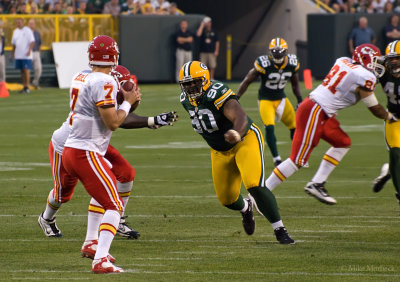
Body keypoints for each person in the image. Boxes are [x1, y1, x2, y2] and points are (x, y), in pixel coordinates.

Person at [37, 60, 178, 269]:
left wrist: (149, 118)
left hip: (92, 145)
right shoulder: (102, 85)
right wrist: (138, 109)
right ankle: (47, 219)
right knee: (63, 194)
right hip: (69, 146)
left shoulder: (100, 82)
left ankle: (108, 225)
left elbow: (119, 117)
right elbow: (115, 120)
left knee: (125, 173)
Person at [263, 44, 396, 205]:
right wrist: (389, 116)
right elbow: (374, 107)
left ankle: (317, 183)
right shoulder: (364, 76)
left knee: (342, 143)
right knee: (297, 160)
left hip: (321, 111)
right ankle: (262, 193)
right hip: (315, 109)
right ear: (366, 59)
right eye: (374, 60)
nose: (377, 65)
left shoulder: (343, 61)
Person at [179, 61, 295, 244]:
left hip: (244, 140)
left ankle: (279, 229)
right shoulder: (185, 100)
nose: (191, 87)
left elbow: (239, 115)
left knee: (254, 184)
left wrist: (236, 132)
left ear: (206, 79)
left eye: (195, 82)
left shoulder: (216, 92)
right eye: (187, 83)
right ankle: (246, 208)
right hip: (219, 151)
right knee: (227, 199)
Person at [237, 37, 303, 167]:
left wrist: (300, 99)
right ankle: (276, 159)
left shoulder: (292, 63)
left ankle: (298, 157)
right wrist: (237, 96)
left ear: (285, 52)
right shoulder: (264, 63)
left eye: (280, 52)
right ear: (270, 52)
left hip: (282, 99)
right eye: (275, 52)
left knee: (295, 127)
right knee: (269, 127)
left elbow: (295, 84)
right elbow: (247, 80)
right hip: (266, 100)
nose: (277, 55)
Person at [371, 40, 400, 205]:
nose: (393, 61)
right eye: (391, 58)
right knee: (395, 154)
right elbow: (365, 86)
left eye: (397, 58)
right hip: (394, 118)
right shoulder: (382, 71)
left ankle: (387, 171)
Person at [11, 18, 35, 93]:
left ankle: (27, 86)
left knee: (26, 70)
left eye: (20, 22)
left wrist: (29, 50)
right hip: (18, 54)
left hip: (26, 54)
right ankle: (24, 86)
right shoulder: (15, 31)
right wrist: (12, 53)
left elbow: (32, 41)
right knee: (21, 70)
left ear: (23, 23)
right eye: (17, 22)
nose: (18, 24)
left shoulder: (27, 30)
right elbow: (14, 44)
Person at [28, 19, 42, 89]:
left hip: (35, 52)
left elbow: (39, 43)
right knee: (27, 69)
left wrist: (38, 51)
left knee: (38, 68)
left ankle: (35, 82)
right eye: (30, 24)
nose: (31, 25)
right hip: (28, 52)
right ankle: (27, 84)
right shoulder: (26, 33)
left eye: (32, 24)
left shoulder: (37, 33)